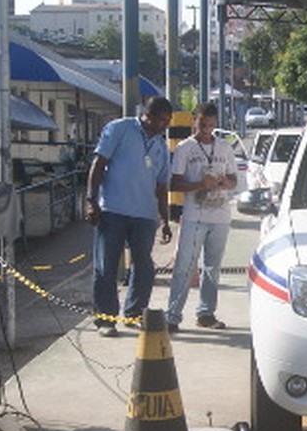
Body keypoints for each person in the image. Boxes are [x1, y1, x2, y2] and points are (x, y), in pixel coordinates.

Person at [86, 96, 173, 337]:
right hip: (112, 210)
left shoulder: (161, 146)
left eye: (168, 122)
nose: (165, 126)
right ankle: (106, 319)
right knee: (106, 266)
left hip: (145, 216)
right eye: (163, 121)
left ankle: (134, 313)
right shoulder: (119, 129)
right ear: (149, 115)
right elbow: (98, 164)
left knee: (144, 267)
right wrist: (91, 201)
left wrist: (164, 220)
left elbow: (161, 187)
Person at [165, 102, 238, 332]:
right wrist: (199, 184)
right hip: (195, 215)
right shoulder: (185, 148)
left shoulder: (225, 148)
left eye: (211, 125)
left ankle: (206, 313)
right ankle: (173, 315)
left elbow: (234, 179)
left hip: (220, 215)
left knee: (212, 267)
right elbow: (174, 183)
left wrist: (226, 183)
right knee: (185, 266)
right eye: (202, 124)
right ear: (194, 120)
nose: (206, 129)